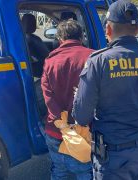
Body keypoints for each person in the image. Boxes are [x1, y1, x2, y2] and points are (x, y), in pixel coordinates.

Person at [72, 0, 138, 179]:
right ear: (137, 31)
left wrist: (80, 98)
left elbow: (82, 117)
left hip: (112, 157)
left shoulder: (98, 61)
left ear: (108, 30)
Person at [41, 19, 94, 180]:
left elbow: (48, 96)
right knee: (85, 172)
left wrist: (61, 122)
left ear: (60, 40)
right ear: (81, 37)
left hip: (55, 131)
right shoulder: (93, 58)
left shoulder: (50, 61)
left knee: (59, 170)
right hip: (84, 130)